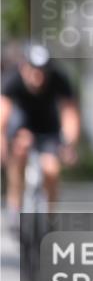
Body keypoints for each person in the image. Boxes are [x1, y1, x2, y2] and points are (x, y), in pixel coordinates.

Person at [1, 43, 81, 227]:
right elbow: (2, 116)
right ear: (24, 67)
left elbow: (70, 114)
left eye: (43, 72)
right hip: (21, 127)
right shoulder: (12, 78)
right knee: (19, 154)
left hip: (48, 130)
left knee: (51, 169)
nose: (38, 77)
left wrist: (69, 145)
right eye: (33, 71)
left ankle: (50, 218)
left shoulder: (59, 78)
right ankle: (15, 204)